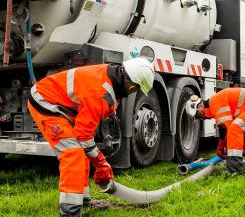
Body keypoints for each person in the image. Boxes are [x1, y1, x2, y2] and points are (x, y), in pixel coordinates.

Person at [28, 58, 155, 217]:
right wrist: (102, 164)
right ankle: (70, 212)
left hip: (59, 102)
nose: (132, 92)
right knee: (73, 153)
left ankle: (83, 199)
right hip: (45, 103)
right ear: (131, 84)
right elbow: (83, 136)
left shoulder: (112, 75)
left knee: (82, 152)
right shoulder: (100, 93)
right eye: (135, 89)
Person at [186, 88, 245, 175]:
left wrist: (220, 149)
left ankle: (234, 170)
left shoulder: (215, 104)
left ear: (200, 106)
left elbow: (226, 128)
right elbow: (224, 129)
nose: (200, 118)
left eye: (197, 115)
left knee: (235, 128)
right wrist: (221, 149)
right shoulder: (214, 103)